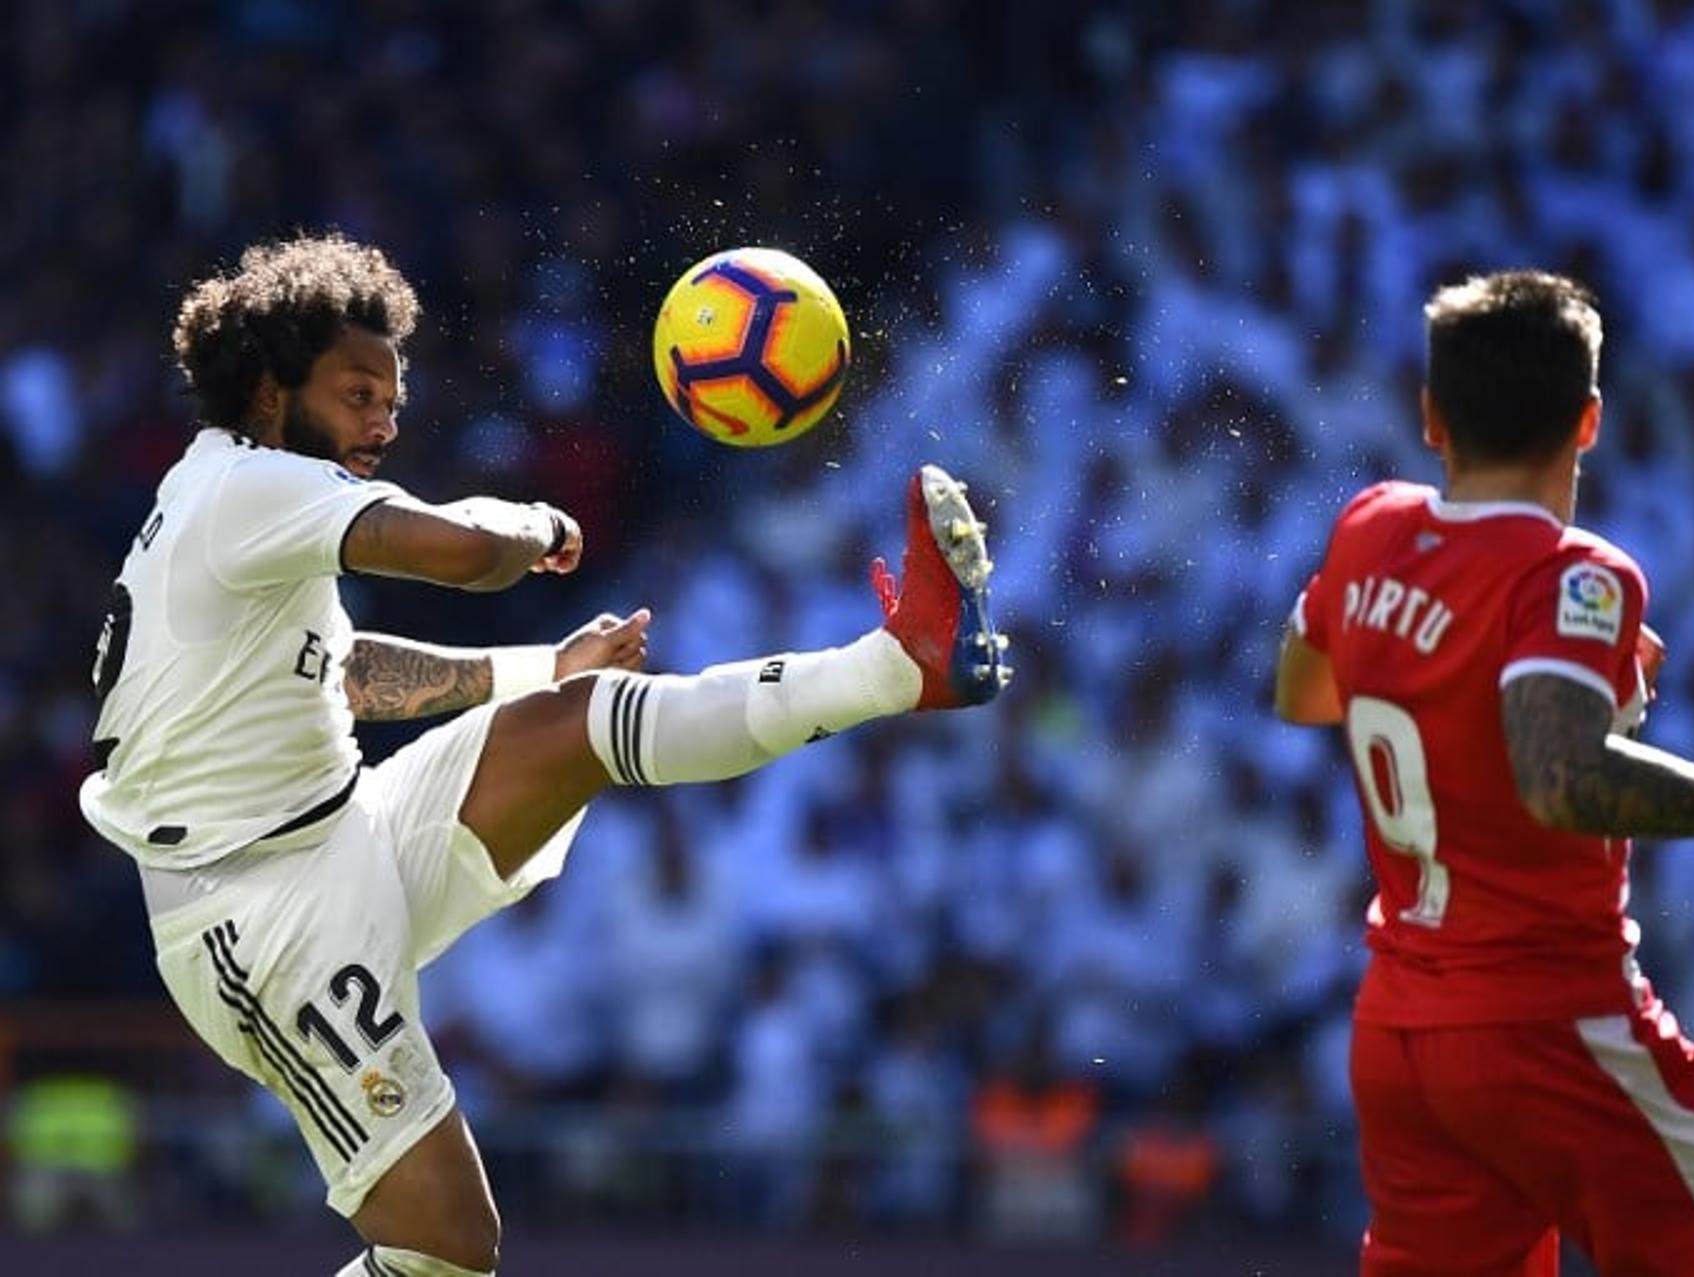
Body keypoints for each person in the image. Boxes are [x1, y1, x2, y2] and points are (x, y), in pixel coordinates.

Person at [78, 233, 1011, 1277]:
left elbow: (344, 674)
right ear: (265, 388)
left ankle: (900, 667)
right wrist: (541, 521)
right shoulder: (245, 491)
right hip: (254, 913)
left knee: (578, 718)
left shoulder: (246, 497)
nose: (385, 421)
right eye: (357, 393)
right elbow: (468, 552)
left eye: (392, 394)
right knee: (448, 1245)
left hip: (341, 825)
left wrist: (541, 666)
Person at [1272, 270, 1694, 1277]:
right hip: (1549, 1024)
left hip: (1400, 1029)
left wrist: (1501, 681)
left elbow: (1305, 691)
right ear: (1590, 420)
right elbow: (1560, 780)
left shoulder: (1370, 527)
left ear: (1432, 417)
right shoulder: (1575, 574)